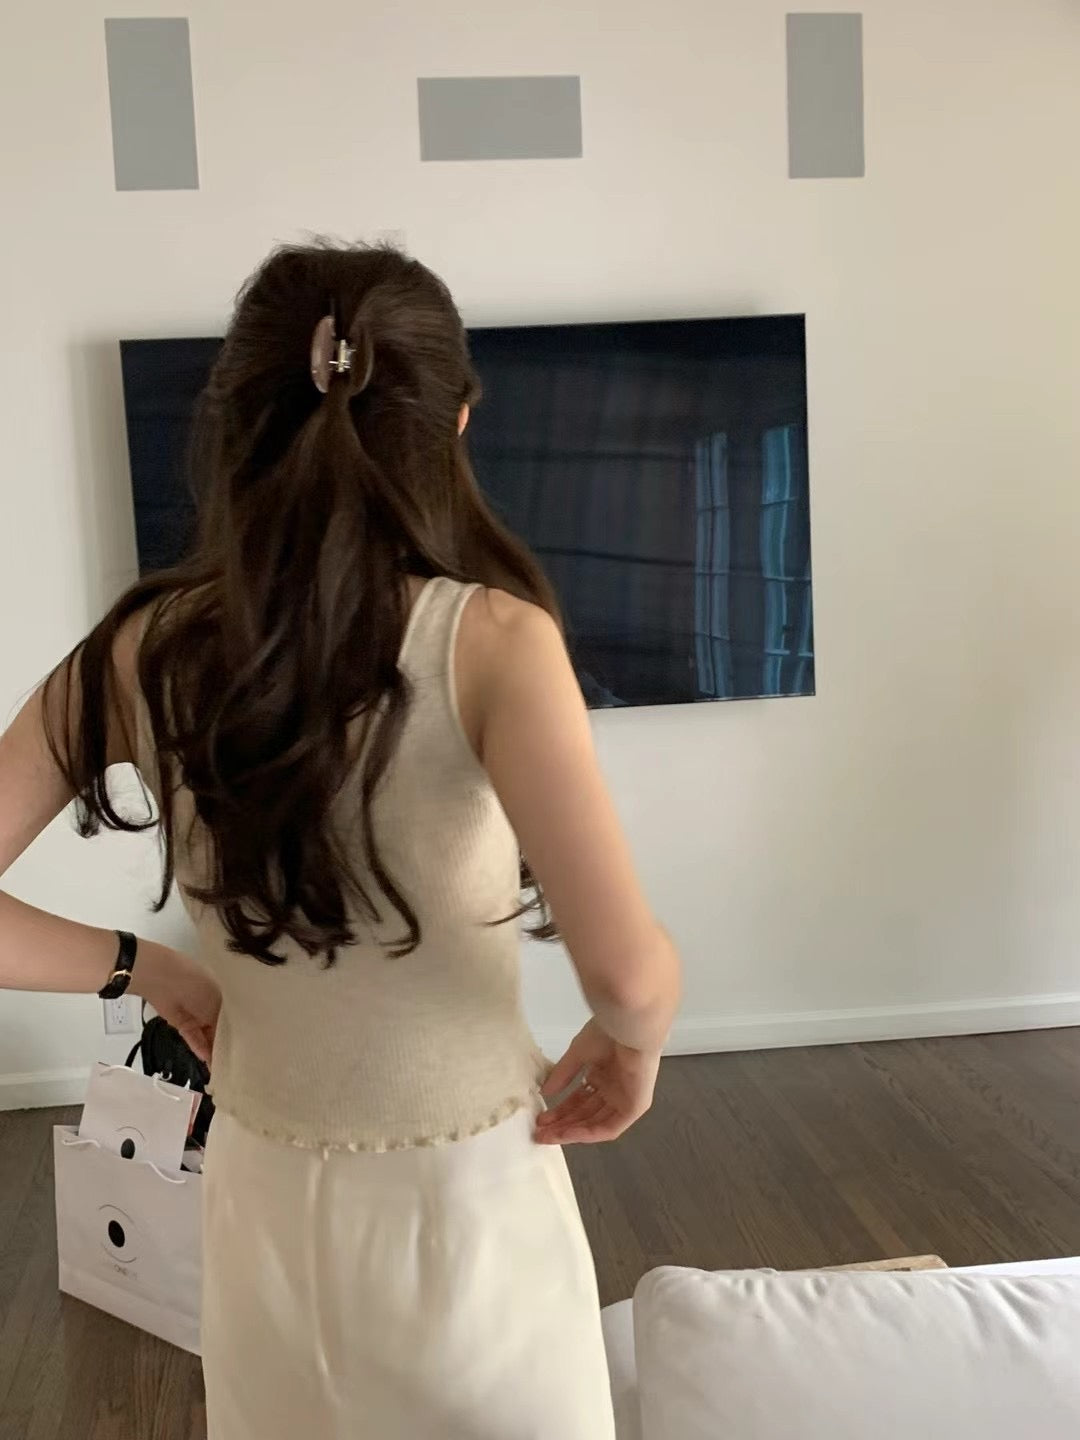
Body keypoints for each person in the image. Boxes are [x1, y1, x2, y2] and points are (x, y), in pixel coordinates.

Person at [0, 242, 680, 1438]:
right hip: (469, 1203)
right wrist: (637, 1041)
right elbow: (626, 976)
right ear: (456, 422)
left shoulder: (143, 651)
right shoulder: (494, 642)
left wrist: (151, 972)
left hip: (261, 1204)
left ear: (235, 424)